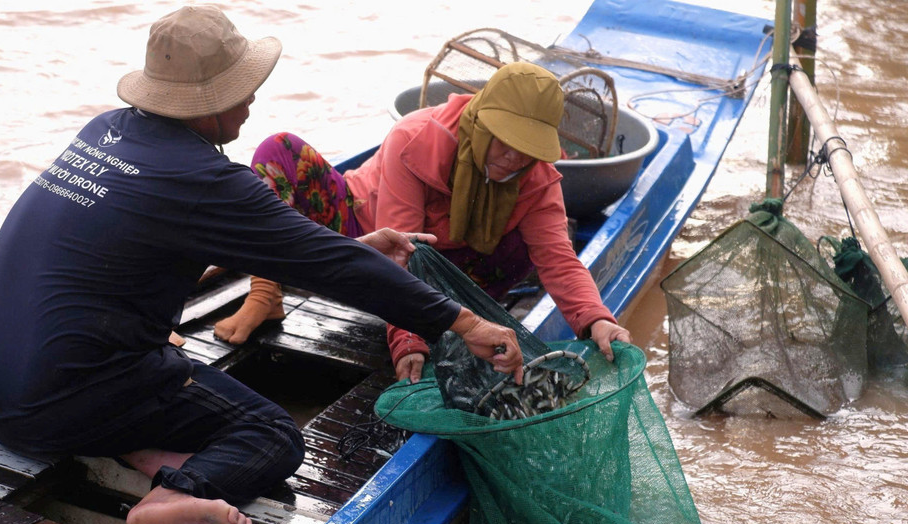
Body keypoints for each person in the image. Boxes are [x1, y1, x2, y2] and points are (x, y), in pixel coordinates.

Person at [0, 6, 523, 524]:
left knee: (161, 366)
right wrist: (462, 320)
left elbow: (302, 252)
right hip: (61, 400)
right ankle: (169, 499)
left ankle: (137, 446)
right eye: (242, 86)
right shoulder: (204, 180)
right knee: (271, 434)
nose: (252, 95)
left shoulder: (104, 133)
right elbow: (328, 266)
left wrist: (350, 248)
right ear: (206, 106)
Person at [218, 62, 632, 383]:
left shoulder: (537, 178)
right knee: (280, 150)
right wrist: (407, 338)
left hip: (454, 265)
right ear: (480, 122)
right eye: (503, 142)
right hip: (365, 235)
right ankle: (265, 292)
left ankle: (457, 314)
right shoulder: (416, 139)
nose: (514, 159)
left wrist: (597, 320)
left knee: (538, 239)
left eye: (526, 149)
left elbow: (558, 259)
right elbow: (400, 251)